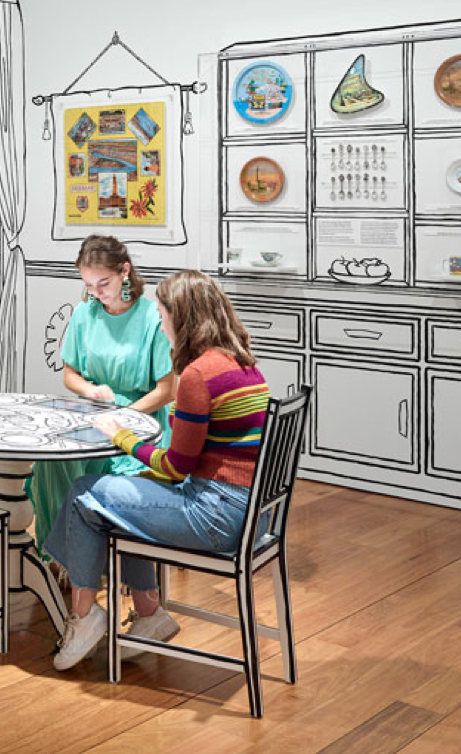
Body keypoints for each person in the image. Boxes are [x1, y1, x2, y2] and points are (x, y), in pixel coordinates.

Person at [43, 269, 270, 671]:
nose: (159, 322)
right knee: (117, 495)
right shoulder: (242, 364)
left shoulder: (198, 375)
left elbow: (174, 468)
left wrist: (122, 437)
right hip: (253, 514)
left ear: (181, 317)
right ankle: (149, 613)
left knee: (84, 493)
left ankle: (84, 615)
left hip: (216, 518)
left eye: (162, 314)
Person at [29, 235, 175, 569]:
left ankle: (87, 561)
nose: (96, 292)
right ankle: (58, 555)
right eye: (89, 285)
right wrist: (89, 390)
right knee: (51, 462)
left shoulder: (153, 318)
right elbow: (70, 376)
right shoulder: (85, 314)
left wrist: (125, 416)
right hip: (92, 416)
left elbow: (168, 390)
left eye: (103, 283)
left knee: (94, 468)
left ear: (124, 271)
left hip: (142, 425)